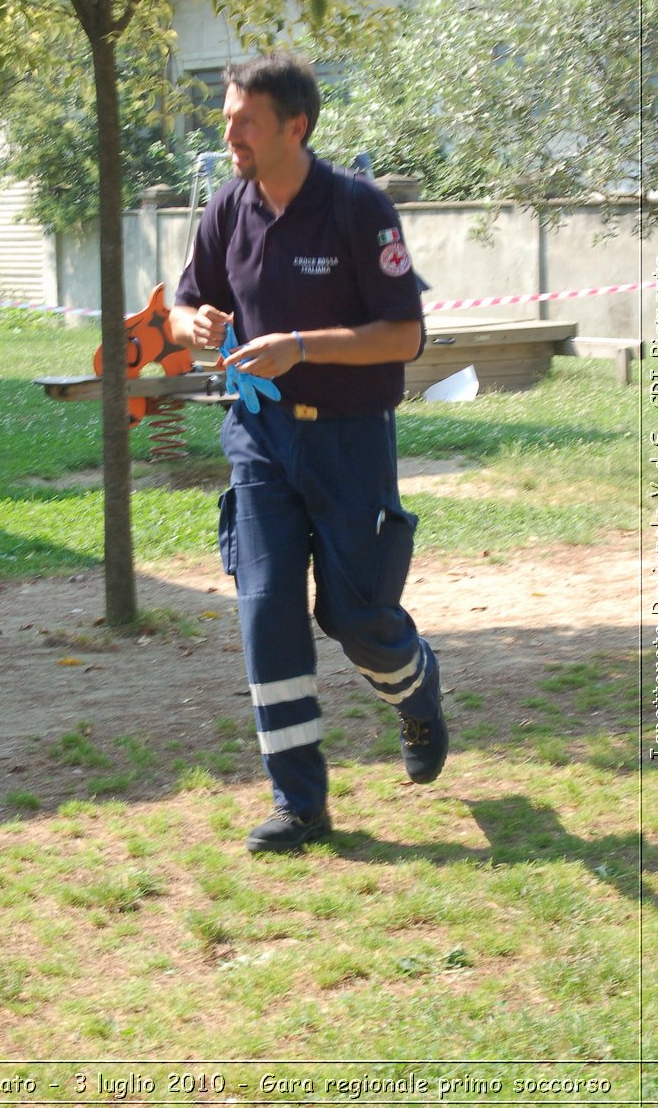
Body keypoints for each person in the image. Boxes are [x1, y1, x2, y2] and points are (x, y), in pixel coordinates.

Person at [169, 52, 446, 853]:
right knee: (266, 613)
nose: (229, 132)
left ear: (295, 125)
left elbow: (405, 334)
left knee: (356, 616)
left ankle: (416, 691)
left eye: (244, 119)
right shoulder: (227, 207)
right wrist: (196, 325)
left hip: (351, 439)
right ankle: (300, 803)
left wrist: (298, 346)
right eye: (226, 116)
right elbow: (192, 300)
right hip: (258, 438)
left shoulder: (360, 209)